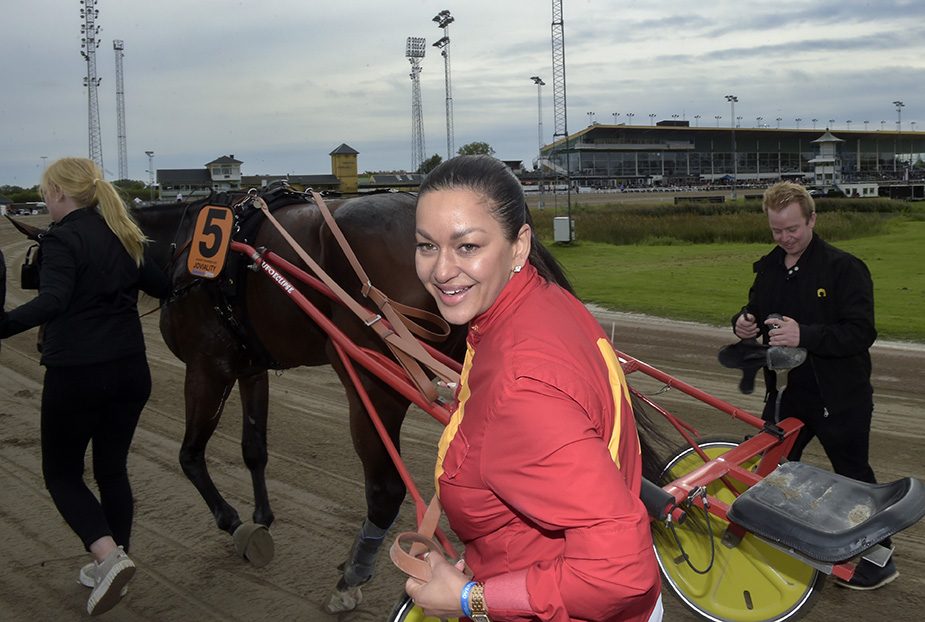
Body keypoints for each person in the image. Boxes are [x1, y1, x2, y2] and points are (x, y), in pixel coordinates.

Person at [405, 155, 662, 621]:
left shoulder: (522, 391)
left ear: (519, 245)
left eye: (466, 247)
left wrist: (469, 599)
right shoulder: (541, 302)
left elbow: (620, 572)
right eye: (427, 246)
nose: (441, 271)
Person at [0, 157, 170, 615]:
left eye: (46, 194)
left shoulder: (62, 239)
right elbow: (165, 284)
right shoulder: (124, 233)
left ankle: (107, 555)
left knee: (62, 474)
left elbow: (53, 300)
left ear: (58, 193)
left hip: (78, 373)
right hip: (132, 371)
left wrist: (4, 324)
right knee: (112, 470)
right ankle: (114, 564)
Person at [731, 180, 896, 590]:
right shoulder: (769, 266)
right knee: (774, 471)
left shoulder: (844, 268)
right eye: (776, 231)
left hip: (841, 396)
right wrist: (743, 323)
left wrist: (805, 334)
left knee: (854, 477)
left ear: (812, 220)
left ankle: (880, 558)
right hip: (787, 394)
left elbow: (861, 332)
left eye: (793, 229)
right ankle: (774, 542)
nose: (785, 238)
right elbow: (755, 309)